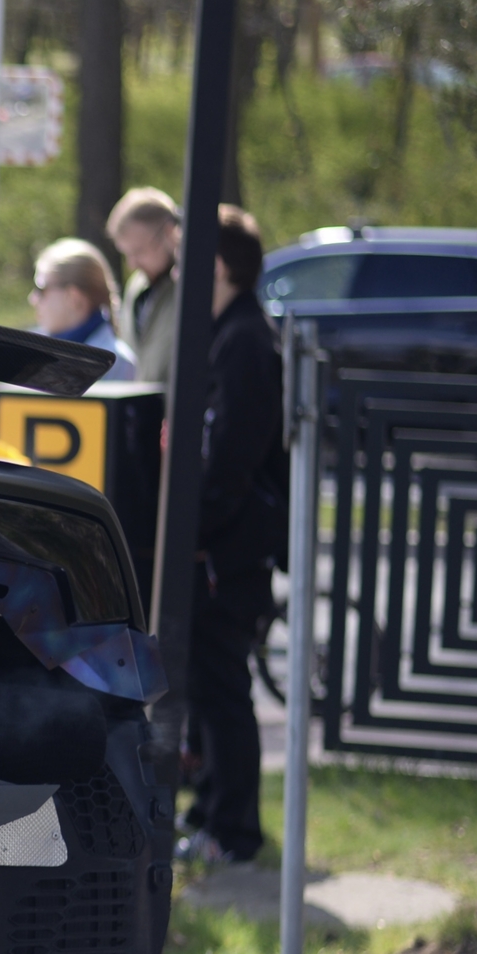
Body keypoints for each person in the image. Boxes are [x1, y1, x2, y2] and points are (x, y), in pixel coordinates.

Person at [180, 205, 287, 867]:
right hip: (219, 543)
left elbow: (235, 457)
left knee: (223, 690)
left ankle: (235, 833)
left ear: (219, 266)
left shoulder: (245, 339)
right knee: (208, 688)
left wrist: (200, 531)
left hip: (230, 549)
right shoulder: (229, 332)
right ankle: (211, 813)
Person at [29, 237, 138, 380]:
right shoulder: (33, 354)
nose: (33, 299)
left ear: (74, 298)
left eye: (41, 289)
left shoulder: (114, 363)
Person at [106, 187, 182, 385]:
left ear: (169, 232)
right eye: (127, 254)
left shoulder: (194, 288)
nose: (133, 264)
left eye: (139, 251)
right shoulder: (137, 286)